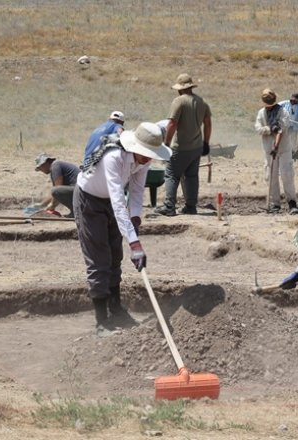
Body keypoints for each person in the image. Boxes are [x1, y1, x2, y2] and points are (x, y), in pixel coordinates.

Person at [74, 122, 171, 334]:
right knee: (99, 258)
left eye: (151, 154)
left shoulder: (143, 161)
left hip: (110, 202)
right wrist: (134, 243)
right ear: (136, 146)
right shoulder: (114, 157)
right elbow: (119, 201)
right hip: (89, 201)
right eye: (146, 153)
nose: (148, 158)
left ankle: (116, 308)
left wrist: (135, 220)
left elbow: (136, 192)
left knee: (115, 255)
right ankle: (102, 322)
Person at [155, 73, 212, 216]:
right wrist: (206, 142)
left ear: (180, 88)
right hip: (197, 146)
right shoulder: (202, 102)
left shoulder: (179, 101)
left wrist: (166, 143)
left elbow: (172, 123)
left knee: (171, 175)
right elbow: (208, 123)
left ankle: (169, 206)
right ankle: (191, 206)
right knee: (192, 176)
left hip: (180, 146)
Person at [255, 89, 298, 214]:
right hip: (268, 150)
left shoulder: (283, 112)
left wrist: (276, 146)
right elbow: (258, 129)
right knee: (271, 176)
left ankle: (292, 203)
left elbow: (282, 129)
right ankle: (275, 203)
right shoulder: (261, 113)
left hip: (284, 149)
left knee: (287, 174)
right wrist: (269, 129)